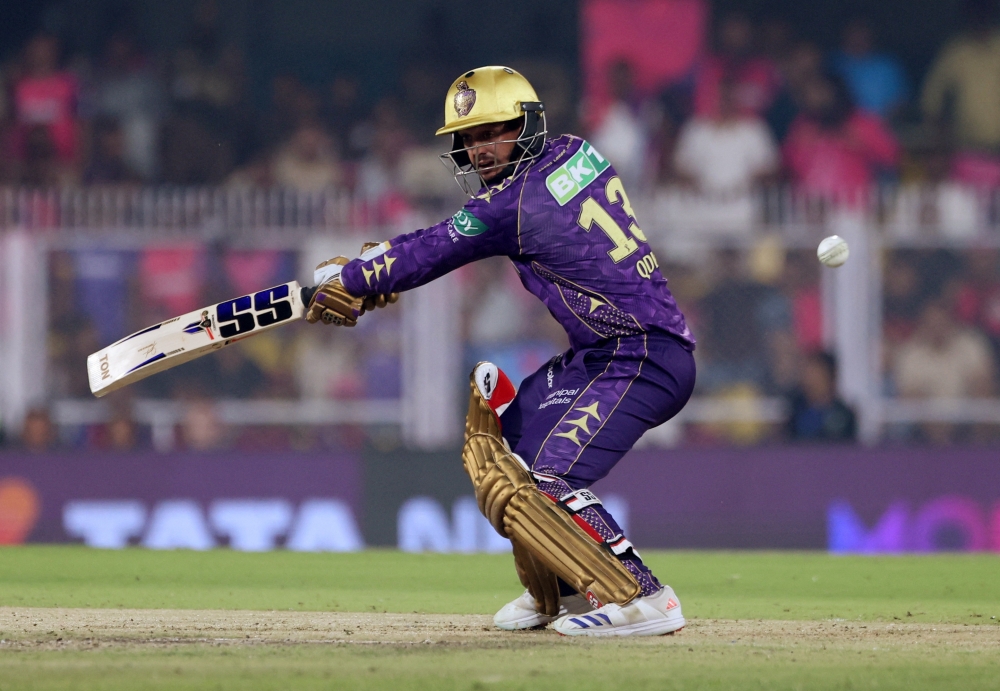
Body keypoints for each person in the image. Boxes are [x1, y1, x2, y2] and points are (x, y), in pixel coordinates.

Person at [305, 66, 695, 636]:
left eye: (493, 132)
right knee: (508, 457)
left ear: (528, 125)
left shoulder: (511, 205)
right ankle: (562, 589)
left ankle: (643, 595)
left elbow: (434, 248)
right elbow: (438, 243)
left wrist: (355, 277)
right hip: (606, 353)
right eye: (468, 138)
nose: (479, 150)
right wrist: (377, 270)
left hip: (641, 357)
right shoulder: (574, 151)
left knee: (549, 476)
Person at [786, 351, 857, 443]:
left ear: (830, 377)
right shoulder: (794, 410)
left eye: (817, 375)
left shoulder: (844, 415)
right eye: (808, 374)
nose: (811, 381)